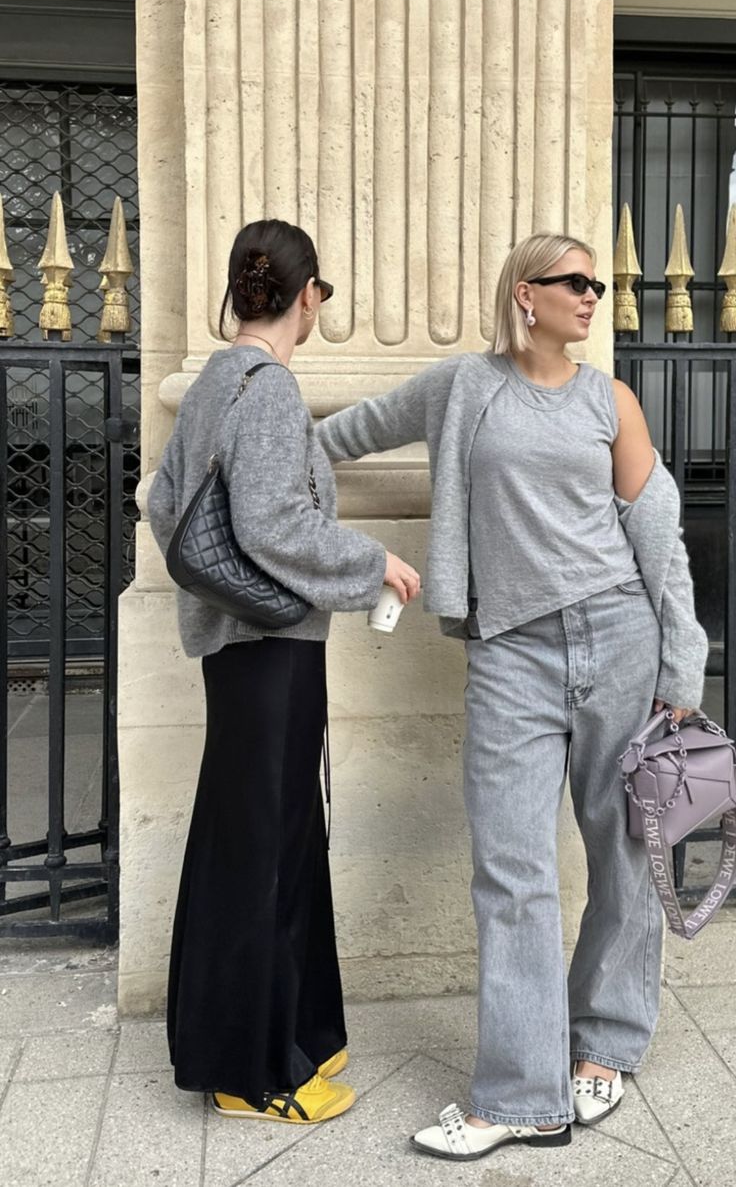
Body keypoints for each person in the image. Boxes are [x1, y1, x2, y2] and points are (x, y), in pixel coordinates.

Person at [315, 232, 708, 1161]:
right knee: (511, 868)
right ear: (525, 294)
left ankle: (607, 1041)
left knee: (623, 849)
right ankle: (524, 1094)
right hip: (509, 655)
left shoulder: (610, 398)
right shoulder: (461, 388)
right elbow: (345, 432)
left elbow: (661, 537)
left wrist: (680, 669)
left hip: (618, 638)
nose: (594, 296)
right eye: (577, 282)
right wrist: (246, 447)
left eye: (598, 284)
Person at [147, 218, 421, 1125]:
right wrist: (369, 562)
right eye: (323, 295)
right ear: (307, 296)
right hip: (270, 648)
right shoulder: (265, 388)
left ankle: (268, 1045)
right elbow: (270, 522)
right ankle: (251, 1072)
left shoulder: (219, 379)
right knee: (266, 850)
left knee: (259, 844)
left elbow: (161, 501)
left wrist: (211, 592)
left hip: (246, 648)